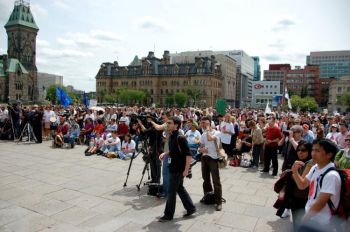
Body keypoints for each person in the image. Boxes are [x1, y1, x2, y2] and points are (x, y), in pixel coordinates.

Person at [292, 139, 341, 231]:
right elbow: (302, 185)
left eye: (318, 151)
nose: (313, 153)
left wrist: (304, 220)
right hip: (312, 218)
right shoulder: (315, 167)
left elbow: (320, 204)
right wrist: (295, 171)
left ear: (329, 154)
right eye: (313, 150)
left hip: (321, 223)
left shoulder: (331, 176)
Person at [158, 116, 195, 222]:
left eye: (169, 123)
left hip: (178, 168)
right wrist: (165, 153)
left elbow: (188, 155)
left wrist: (186, 170)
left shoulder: (180, 137)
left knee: (171, 191)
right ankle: (191, 208)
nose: (167, 124)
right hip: (173, 165)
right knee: (179, 188)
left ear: (176, 125)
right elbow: (174, 150)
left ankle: (168, 215)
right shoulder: (172, 135)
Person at [198, 116, 223, 211]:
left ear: (210, 123)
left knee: (216, 181)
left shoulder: (217, 132)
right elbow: (201, 146)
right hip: (204, 158)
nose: (203, 124)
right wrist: (201, 149)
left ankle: (218, 201)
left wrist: (208, 130)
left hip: (213, 158)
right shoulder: (203, 134)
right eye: (202, 123)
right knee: (206, 179)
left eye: (205, 123)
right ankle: (207, 196)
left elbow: (210, 138)